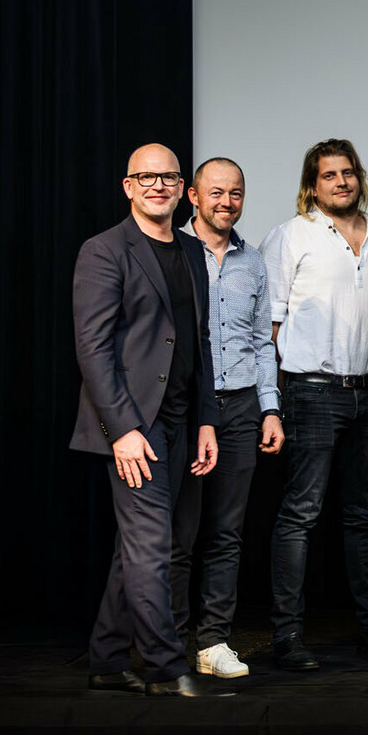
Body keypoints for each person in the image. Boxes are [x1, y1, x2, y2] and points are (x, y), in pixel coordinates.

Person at [70, 144, 228, 697]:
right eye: (147, 177)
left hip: (185, 423)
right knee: (152, 543)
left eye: (168, 176)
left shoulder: (190, 250)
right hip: (136, 425)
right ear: (128, 186)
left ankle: (109, 660)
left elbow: (202, 343)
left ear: (181, 186)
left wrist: (208, 421)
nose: (158, 185)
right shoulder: (104, 250)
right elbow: (92, 349)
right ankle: (165, 666)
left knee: (150, 544)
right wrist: (123, 430)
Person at [261, 139, 368, 670]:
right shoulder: (292, 237)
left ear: (359, 177)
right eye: (328, 175)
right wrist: (270, 403)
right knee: (300, 515)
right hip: (311, 390)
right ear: (311, 186)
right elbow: (266, 328)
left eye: (348, 173)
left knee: (365, 515)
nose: (341, 182)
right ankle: (287, 636)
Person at [170, 157, 283, 680]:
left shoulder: (252, 260)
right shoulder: (172, 253)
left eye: (235, 193)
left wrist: (270, 408)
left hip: (239, 406)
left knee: (227, 532)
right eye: (215, 193)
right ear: (193, 196)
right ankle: (168, 641)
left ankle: (212, 642)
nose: (226, 202)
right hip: (187, 408)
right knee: (180, 531)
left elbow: (263, 341)